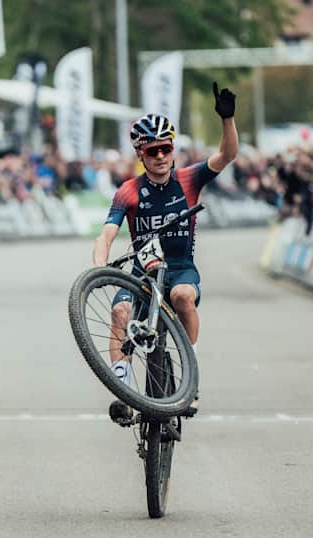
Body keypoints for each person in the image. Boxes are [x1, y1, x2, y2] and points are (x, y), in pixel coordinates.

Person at [93, 82, 239, 424]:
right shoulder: (128, 191)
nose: (160, 156)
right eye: (152, 151)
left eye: (165, 149)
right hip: (141, 273)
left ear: (173, 150)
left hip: (179, 268)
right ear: (141, 155)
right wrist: (99, 268)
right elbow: (106, 234)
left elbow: (227, 155)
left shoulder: (189, 179)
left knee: (183, 296)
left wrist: (227, 120)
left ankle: (190, 380)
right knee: (121, 313)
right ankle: (123, 392)